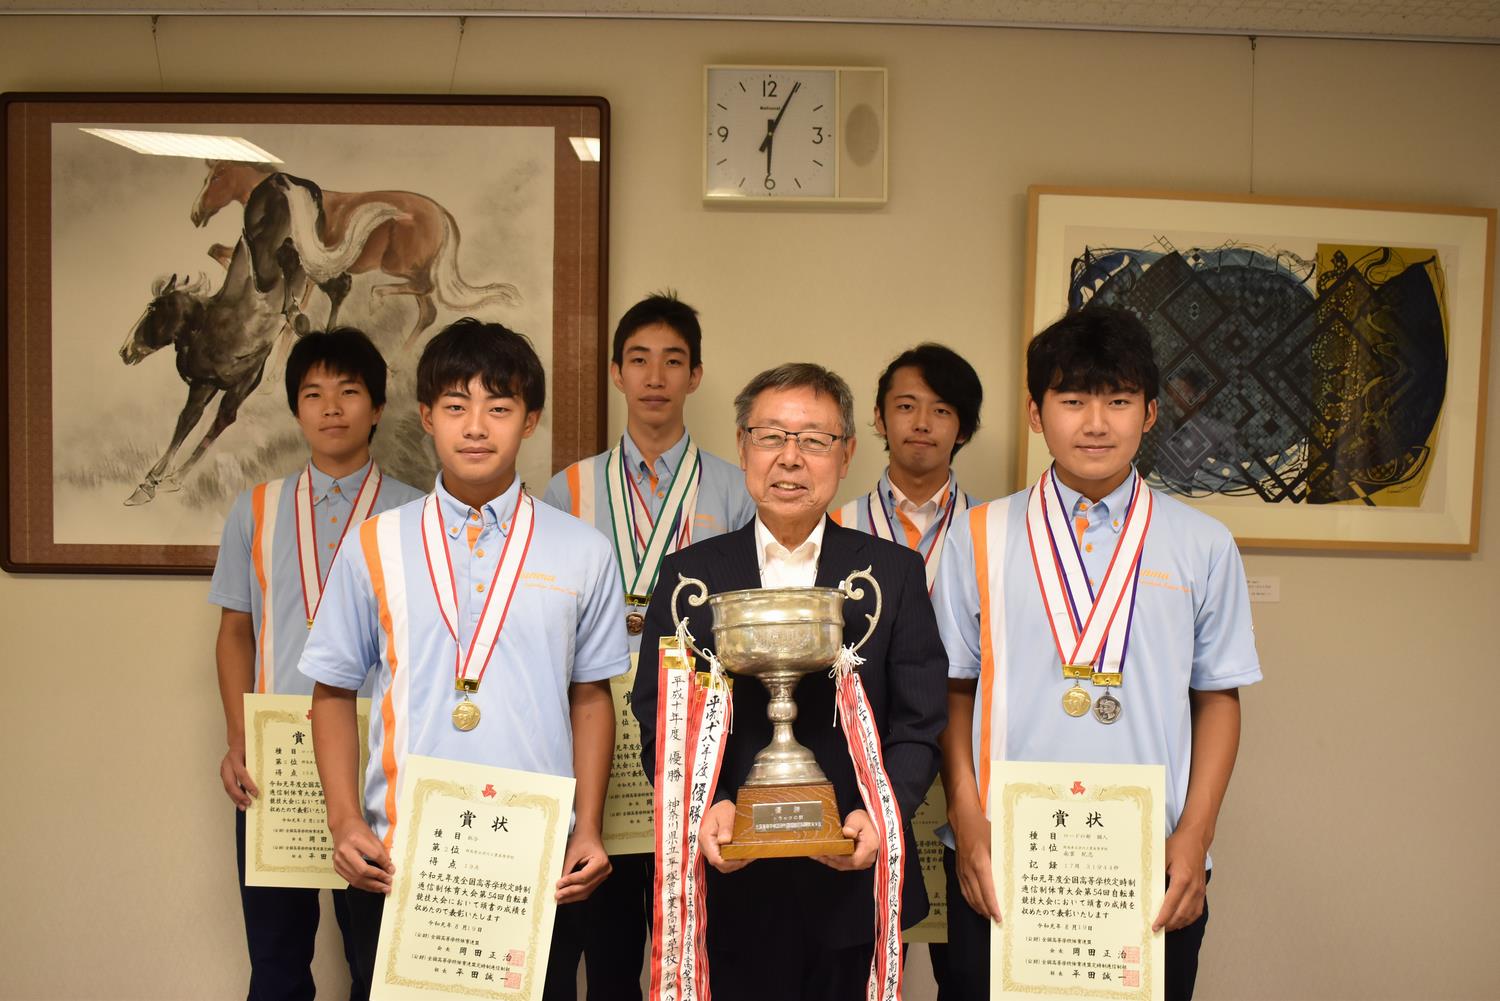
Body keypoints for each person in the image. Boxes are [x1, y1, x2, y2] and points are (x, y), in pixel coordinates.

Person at [932, 307, 1261, 1001]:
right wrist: (966, 816)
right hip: (1002, 860)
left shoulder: (1202, 544)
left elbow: (1218, 698)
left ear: (1149, 412)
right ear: (1034, 411)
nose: (1095, 421)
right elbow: (951, 690)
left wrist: (1195, 838)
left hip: (1149, 864)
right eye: (1072, 399)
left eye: (1117, 400)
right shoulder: (977, 535)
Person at [298, 318, 631, 999]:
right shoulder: (373, 544)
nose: (476, 425)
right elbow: (331, 691)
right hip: (400, 858)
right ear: (426, 415)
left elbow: (591, 696)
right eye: (456, 405)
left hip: (536, 861)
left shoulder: (582, 550)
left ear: (529, 419)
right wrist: (344, 820)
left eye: (499, 406)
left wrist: (588, 827)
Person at [632, 363, 948, 1001]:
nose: (790, 459)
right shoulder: (690, 578)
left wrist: (880, 816)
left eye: (814, 440)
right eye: (771, 436)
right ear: (744, 447)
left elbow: (920, 723)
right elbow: (654, 715)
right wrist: (709, 806)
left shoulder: (892, 573)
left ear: (848, 452)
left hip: (853, 875)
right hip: (729, 877)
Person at [541, 292, 754, 999]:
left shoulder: (735, 487)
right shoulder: (566, 488)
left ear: (696, 374)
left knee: (696, 938)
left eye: (672, 361)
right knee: (600, 943)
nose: (655, 376)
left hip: (696, 742)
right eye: (639, 360)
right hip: (590, 726)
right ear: (615, 372)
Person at [209, 326, 425, 1001]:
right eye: (314, 393)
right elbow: (235, 629)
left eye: (350, 392)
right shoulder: (257, 508)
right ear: (296, 408)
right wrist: (237, 737)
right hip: (276, 761)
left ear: (378, 406)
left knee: (377, 953)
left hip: (379, 759)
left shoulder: (414, 512)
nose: (332, 408)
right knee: (275, 957)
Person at [830, 342, 982, 994]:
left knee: (963, 959)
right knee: (858, 957)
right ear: (878, 417)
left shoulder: (993, 533)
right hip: (862, 766)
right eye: (907, 405)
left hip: (963, 764)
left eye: (941, 408)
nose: (922, 421)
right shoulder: (832, 528)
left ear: (963, 427)